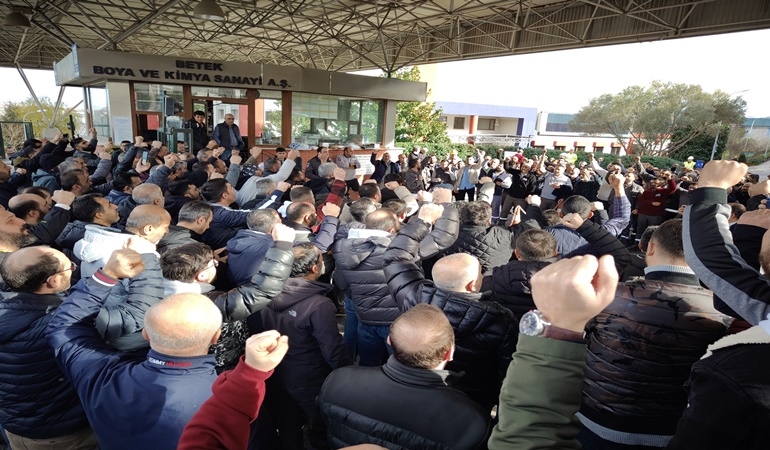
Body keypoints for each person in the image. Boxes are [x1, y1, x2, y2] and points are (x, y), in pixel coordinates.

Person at [578, 219, 731, 449]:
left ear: (650, 247)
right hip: (669, 429)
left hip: (595, 419)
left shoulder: (611, 295)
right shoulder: (723, 311)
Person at [47, 249, 222, 450]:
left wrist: (106, 277)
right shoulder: (229, 399)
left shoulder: (101, 376)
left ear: (146, 334)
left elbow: (64, 327)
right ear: (216, 337)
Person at [384, 203, 517, 411]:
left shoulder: (412, 296)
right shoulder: (501, 319)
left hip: (414, 389)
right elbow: (506, 368)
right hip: (472, 401)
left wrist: (423, 221)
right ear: (473, 284)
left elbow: (396, 256)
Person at [317, 304, 490, 450]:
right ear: (449, 353)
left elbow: (318, 436)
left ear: (389, 341)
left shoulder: (337, 380)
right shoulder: (472, 422)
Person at [257, 242, 353, 449]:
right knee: (319, 423)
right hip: (309, 375)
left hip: (276, 369)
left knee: (287, 422)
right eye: (320, 260)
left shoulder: (264, 291)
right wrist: (345, 374)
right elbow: (332, 348)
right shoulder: (318, 304)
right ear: (314, 268)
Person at [0, 246, 97, 449]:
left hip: (17, 425)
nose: (73, 270)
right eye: (70, 267)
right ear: (53, 281)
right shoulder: (52, 324)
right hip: (59, 435)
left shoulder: (8, 309)